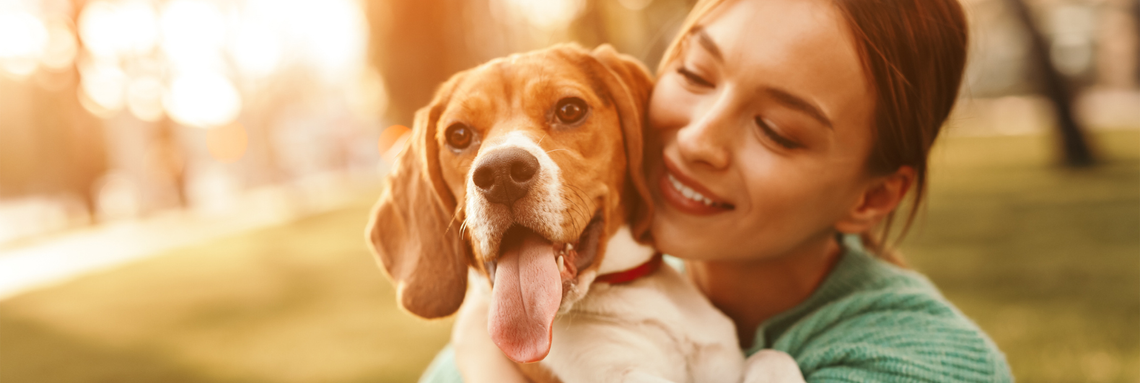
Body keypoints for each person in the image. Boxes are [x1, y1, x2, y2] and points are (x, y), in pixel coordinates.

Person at [421, 0, 1013, 381]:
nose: (699, 138)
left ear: (873, 197)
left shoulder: (922, 365)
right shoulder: (564, 295)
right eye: (695, 75)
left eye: (778, 130)